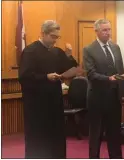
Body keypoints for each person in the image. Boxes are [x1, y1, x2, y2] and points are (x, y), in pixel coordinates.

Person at [18, 20, 78, 158]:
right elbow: (24, 77)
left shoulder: (57, 52)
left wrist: (69, 55)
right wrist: (46, 77)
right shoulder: (30, 51)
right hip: (36, 106)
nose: (55, 40)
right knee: (38, 140)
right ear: (43, 34)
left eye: (57, 37)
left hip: (54, 102)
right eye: (53, 36)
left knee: (56, 137)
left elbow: (69, 68)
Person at [83, 19, 124, 159]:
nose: (108, 33)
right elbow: (91, 74)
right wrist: (107, 79)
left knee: (114, 133)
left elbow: (120, 71)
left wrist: (123, 93)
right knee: (96, 134)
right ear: (96, 31)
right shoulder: (89, 49)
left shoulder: (115, 47)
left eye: (109, 29)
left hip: (114, 98)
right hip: (97, 98)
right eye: (104, 30)